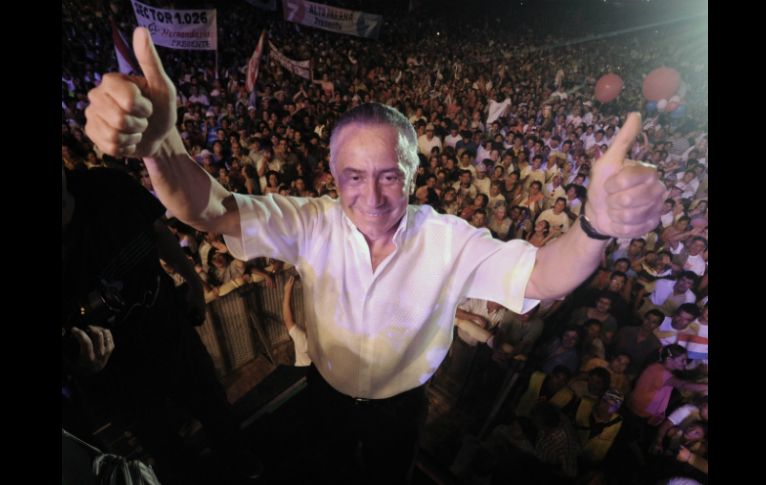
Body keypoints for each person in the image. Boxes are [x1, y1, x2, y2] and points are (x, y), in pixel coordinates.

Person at [84, 27, 665, 483]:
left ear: (412, 174)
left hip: (401, 407)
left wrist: (595, 226)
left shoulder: (449, 240)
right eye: (353, 176)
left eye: (389, 175)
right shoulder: (311, 222)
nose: (371, 196)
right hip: (326, 392)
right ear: (332, 176)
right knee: (329, 468)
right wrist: (162, 149)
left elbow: (542, 275)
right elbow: (209, 210)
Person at [61, 168, 260, 485]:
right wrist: (80, 365)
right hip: (121, 372)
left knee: (214, 408)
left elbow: (155, 230)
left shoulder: (107, 184)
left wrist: (192, 281)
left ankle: (243, 467)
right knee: (165, 447)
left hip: (169, 327)